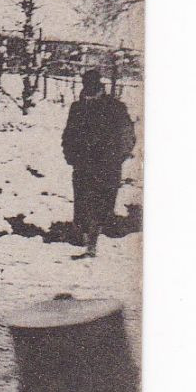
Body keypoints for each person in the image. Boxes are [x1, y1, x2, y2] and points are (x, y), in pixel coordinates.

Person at [61, 68, 135, 259]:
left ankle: (93, 244)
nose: (88, 91)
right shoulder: (77, 108)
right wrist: (70, 155)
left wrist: (117, 157)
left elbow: (128, 137)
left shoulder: (115, 107)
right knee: (83, 204)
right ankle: (87, 243)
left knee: (102, 206)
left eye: (92, 87)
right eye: (86, 87)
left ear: (100, 86)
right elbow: (68, 135)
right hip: (83, 166)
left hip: (107, 167)